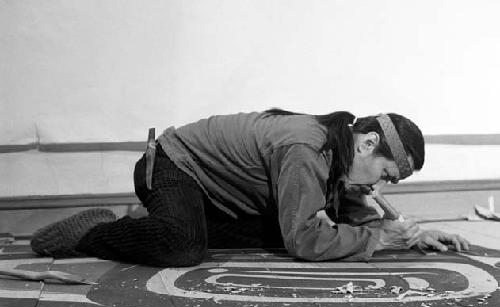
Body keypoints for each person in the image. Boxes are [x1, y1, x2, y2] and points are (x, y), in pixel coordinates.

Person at [31, 109, 469, 266]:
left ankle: (151, 223)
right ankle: (96, 232)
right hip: (171, 164)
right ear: (369, 143)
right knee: (184, 248)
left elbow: (338, 211)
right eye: (386, 175)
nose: (382, 187)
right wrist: (378, 238)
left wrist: (416, 236)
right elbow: (304, 240)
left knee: (283, 230)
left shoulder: (337, 150)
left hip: (211, 190)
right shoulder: (307, 149)